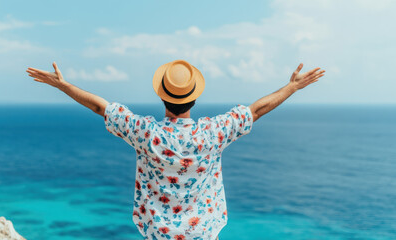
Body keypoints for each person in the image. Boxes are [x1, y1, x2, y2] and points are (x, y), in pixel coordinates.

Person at [26, 59, 325, 240]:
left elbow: (99, 107)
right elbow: (256, 110)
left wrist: (63, 86)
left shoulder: (145, 133)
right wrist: (292, 88)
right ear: (194, 98)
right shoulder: (213, 132)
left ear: (162, 96)